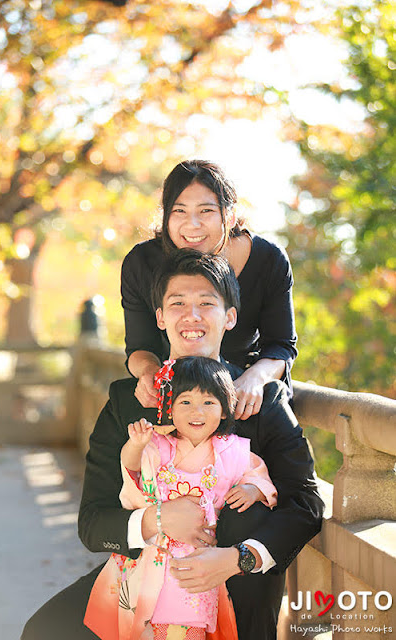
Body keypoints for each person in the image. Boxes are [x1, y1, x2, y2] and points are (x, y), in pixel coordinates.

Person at [21, 250, 323, 640]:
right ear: (160, 317)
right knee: (46, 630)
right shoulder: (127, 402)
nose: (191, 316)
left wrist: (238, 558)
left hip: (235, 584)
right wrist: (156, 519)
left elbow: (306, 502)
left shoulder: (259, 398)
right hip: (146, 574)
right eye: (177, 303)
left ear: (229, 317)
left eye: (206, 304)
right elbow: (93, 523)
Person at [83, 357, 278, 640]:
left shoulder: (234, 452)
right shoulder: (158, 446)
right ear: (169, 409)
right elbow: (133, 470)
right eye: (185, 402)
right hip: (155, 552)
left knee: (186, 625)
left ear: (225, 410)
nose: (196, 411)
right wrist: (135, 445)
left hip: (199, 558)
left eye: (209, 403)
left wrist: (252, 490)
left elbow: (259, 477)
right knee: (144, 623)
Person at [121, 159, 298, 418]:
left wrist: (255, 378)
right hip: (171, 395)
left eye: (205, 211)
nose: (192, 224)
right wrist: (150, 374)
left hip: (244, 399)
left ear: (230, 215)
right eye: (179, 211)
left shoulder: (268, 260)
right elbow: (139, 347)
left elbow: (281, 345)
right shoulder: (141, 263)